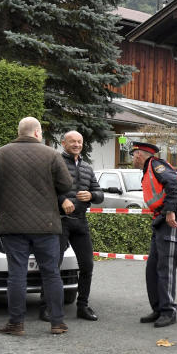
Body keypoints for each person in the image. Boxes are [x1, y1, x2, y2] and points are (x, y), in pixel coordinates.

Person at [0, 117, 73, 336]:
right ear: (37, 133)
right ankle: (57, 323)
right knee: (51, 273)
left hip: (13, 225)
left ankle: (16, 324)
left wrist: (1, 207)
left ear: (19, 132)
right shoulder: (52, 155)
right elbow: (66, 185)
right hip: (46, 224)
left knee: (16, 274)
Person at [129, 141, 177, 327]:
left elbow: (173, 185)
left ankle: (169, 311)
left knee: (166, 267)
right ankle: (158, 308)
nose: (132, 158)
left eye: (133, 155)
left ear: (139, 155)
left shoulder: (156, 165)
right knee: (153, 267)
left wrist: (170, 211)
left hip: (172, 218)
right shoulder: (149, 169)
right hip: (161, 219)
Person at [50, 130, 104, 322]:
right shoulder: (55, 162)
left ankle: (83, 306)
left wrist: (92, 196)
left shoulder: (88, 167)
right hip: (60, 221)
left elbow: (99, 193)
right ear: (63, 143)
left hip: (80, 222)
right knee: (52, 266)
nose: (76, 144)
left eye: (79, 142)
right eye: (72, 141)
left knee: (87, 265)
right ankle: (47, 306)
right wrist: (62, 200)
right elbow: (47, 188)